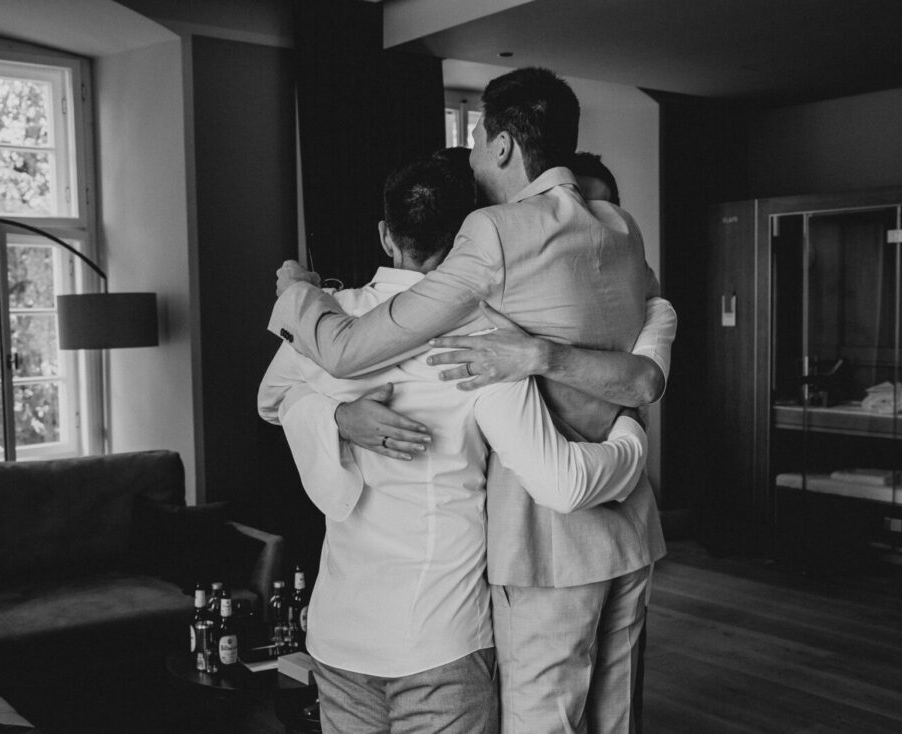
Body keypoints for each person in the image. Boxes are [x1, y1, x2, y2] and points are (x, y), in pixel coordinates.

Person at [269, 67, 677, 733]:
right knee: (616, 720)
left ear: (505, 146)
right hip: (629, 532)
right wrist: (634, 414)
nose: (477, 154)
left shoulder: (495, 233)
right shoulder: (620, 226)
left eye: (480, 139)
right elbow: (653, 337)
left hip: (547, 545)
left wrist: (297, 293)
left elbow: (345, 351)